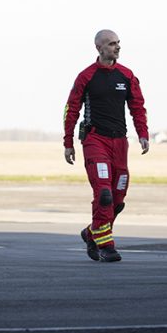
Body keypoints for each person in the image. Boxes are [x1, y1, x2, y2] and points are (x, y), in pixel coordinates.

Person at [63, 29, 150, 263]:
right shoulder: (86, 76)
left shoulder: (127, 75)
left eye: (118, 43)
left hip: (120, 143)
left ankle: (92, 232)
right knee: (103, 193)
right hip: (95, 141)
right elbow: (71, 109)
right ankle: (106, 244)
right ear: (99, 48)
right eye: (112, 44)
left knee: (118, 199)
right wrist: (68, 142)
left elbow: (137, 107)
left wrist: (143, 134)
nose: (117, 47)